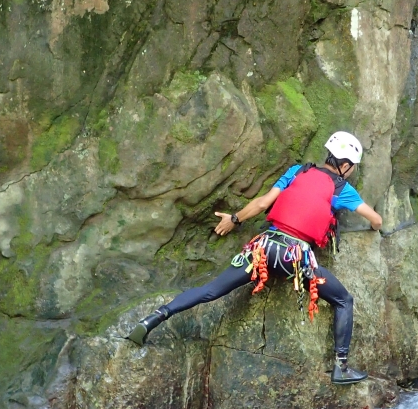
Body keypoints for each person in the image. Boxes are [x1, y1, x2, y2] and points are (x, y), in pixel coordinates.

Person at [125, 131, 383, 384]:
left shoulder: (297, 171)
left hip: (263, 248)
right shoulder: (344, 190)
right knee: (343, 300)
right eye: (353, 167)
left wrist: (233, 219)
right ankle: (341, 367)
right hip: (295, 257)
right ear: (346, 165)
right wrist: (374, 227)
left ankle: (153, 319)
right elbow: (375, 219)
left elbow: (262, 204)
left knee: (211, 290)